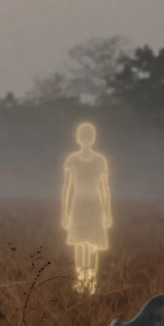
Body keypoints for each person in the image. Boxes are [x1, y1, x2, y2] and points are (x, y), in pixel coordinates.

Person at [61, 123, 113, 293]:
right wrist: (65, 213)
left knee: (91, 245)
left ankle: (90, 281)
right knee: (80, 245)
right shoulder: (72, 160)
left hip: (93, 205)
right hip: (79, 204)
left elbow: (105, 188)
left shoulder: (100, 160)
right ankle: (80, 280)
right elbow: (67, 189)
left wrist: (107, 212)